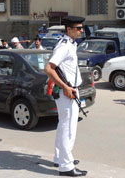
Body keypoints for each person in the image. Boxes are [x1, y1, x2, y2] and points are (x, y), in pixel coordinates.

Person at [44, 16, 88, 177]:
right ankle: (66, 166)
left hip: (69, 90)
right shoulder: (64, 46)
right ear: (69, 30)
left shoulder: (70, 44)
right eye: (78, 28)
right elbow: (49, 69)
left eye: (82, 28)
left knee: (64, 125)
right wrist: (65, 87)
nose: (81, 30)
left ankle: (60, 157)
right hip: (67, 91)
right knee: (68, 129)